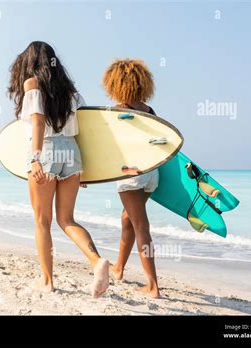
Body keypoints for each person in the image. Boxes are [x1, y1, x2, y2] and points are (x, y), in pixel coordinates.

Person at [8, 41, 110, 298]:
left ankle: (47, 281)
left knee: (42, 222)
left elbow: (38, 122)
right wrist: (87, 169)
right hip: (73, 153)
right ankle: (97, 261)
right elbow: (88, 129)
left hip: (47, 152)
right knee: (67, 220)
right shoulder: (71, 92)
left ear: (30, 63)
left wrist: (35, 159)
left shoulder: (32, 85)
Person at [102, 59, 160, 298]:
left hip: (129, 175)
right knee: (128, 219)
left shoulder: (117, 111)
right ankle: (118, 268)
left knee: (141, 227)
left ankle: (153, 286)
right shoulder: (149, 112)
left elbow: (105, 146)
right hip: (151, 174)